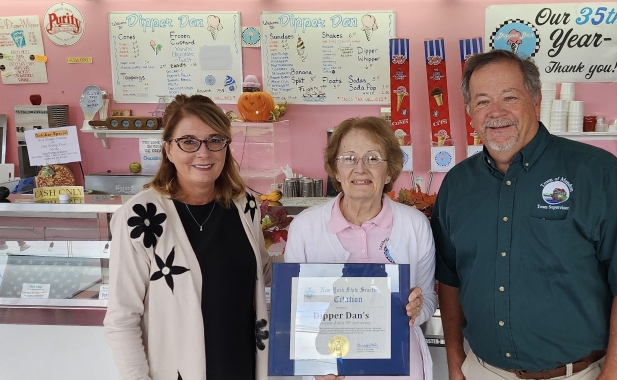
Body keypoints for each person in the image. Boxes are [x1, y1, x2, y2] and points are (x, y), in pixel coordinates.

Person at [432, 49, 617, 380]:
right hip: (483, 371)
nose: (495, 112)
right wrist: (456, 362)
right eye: (482, 101)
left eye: (509, 97)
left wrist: (616, 375)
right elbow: (450, 280)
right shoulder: (456, 184)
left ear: (536, 100)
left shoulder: (596, 173)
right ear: (470, 110)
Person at [104, 94, 275, 380]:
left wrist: (313, 261)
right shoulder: (140, 216)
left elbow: (262, 270)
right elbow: (122, 319)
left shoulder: (244, 205)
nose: (203, 152)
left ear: (226, 147)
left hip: (242, 367)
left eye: (215, 140)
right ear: (168, 149)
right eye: (188, 141)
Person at [284, 116, 437, 380]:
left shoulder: (415, 225)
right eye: (349, 158)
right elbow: (296, 312)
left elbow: (428, 301)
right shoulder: (304, 227)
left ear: (389, 171)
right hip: (332, 371)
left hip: (401, 369)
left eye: (373, 158)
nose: (360, 168)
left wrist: (417, 308)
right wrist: (315, 366)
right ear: (335, 170)